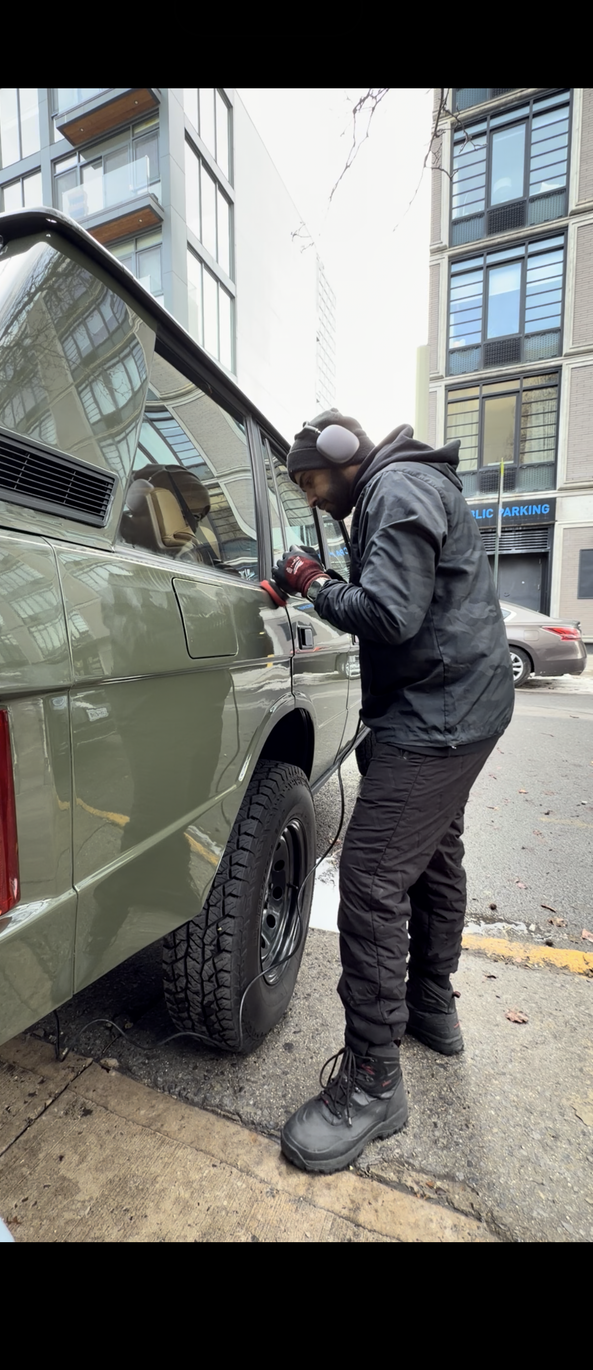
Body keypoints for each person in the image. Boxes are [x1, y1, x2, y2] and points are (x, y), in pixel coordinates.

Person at [272, 409, 515, 1175]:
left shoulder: (396, 490)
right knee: (435, 855)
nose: (311, 497)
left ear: (344, 457)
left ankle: (374, 1084)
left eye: (310, 480)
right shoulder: (401, 485)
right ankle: (432, 1008)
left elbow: (388, 613)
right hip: (458, 706)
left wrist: (312, 584)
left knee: (372, 878)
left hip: (439, 715)